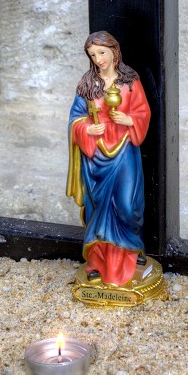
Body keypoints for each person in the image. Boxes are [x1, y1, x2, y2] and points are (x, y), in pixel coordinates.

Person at [66, 31, 150, 287]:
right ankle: (97, 261)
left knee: (126, 206)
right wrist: (86, 130)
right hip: (96, 157)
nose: (99, 59)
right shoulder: (87, 83)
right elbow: (75, 118)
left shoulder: (131, 81)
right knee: (97, 209)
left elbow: (142, 112)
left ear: (114, 50)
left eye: (102, 52)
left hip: (124, 151)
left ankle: (133, 248)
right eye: (93, 55)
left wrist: (130, 120)